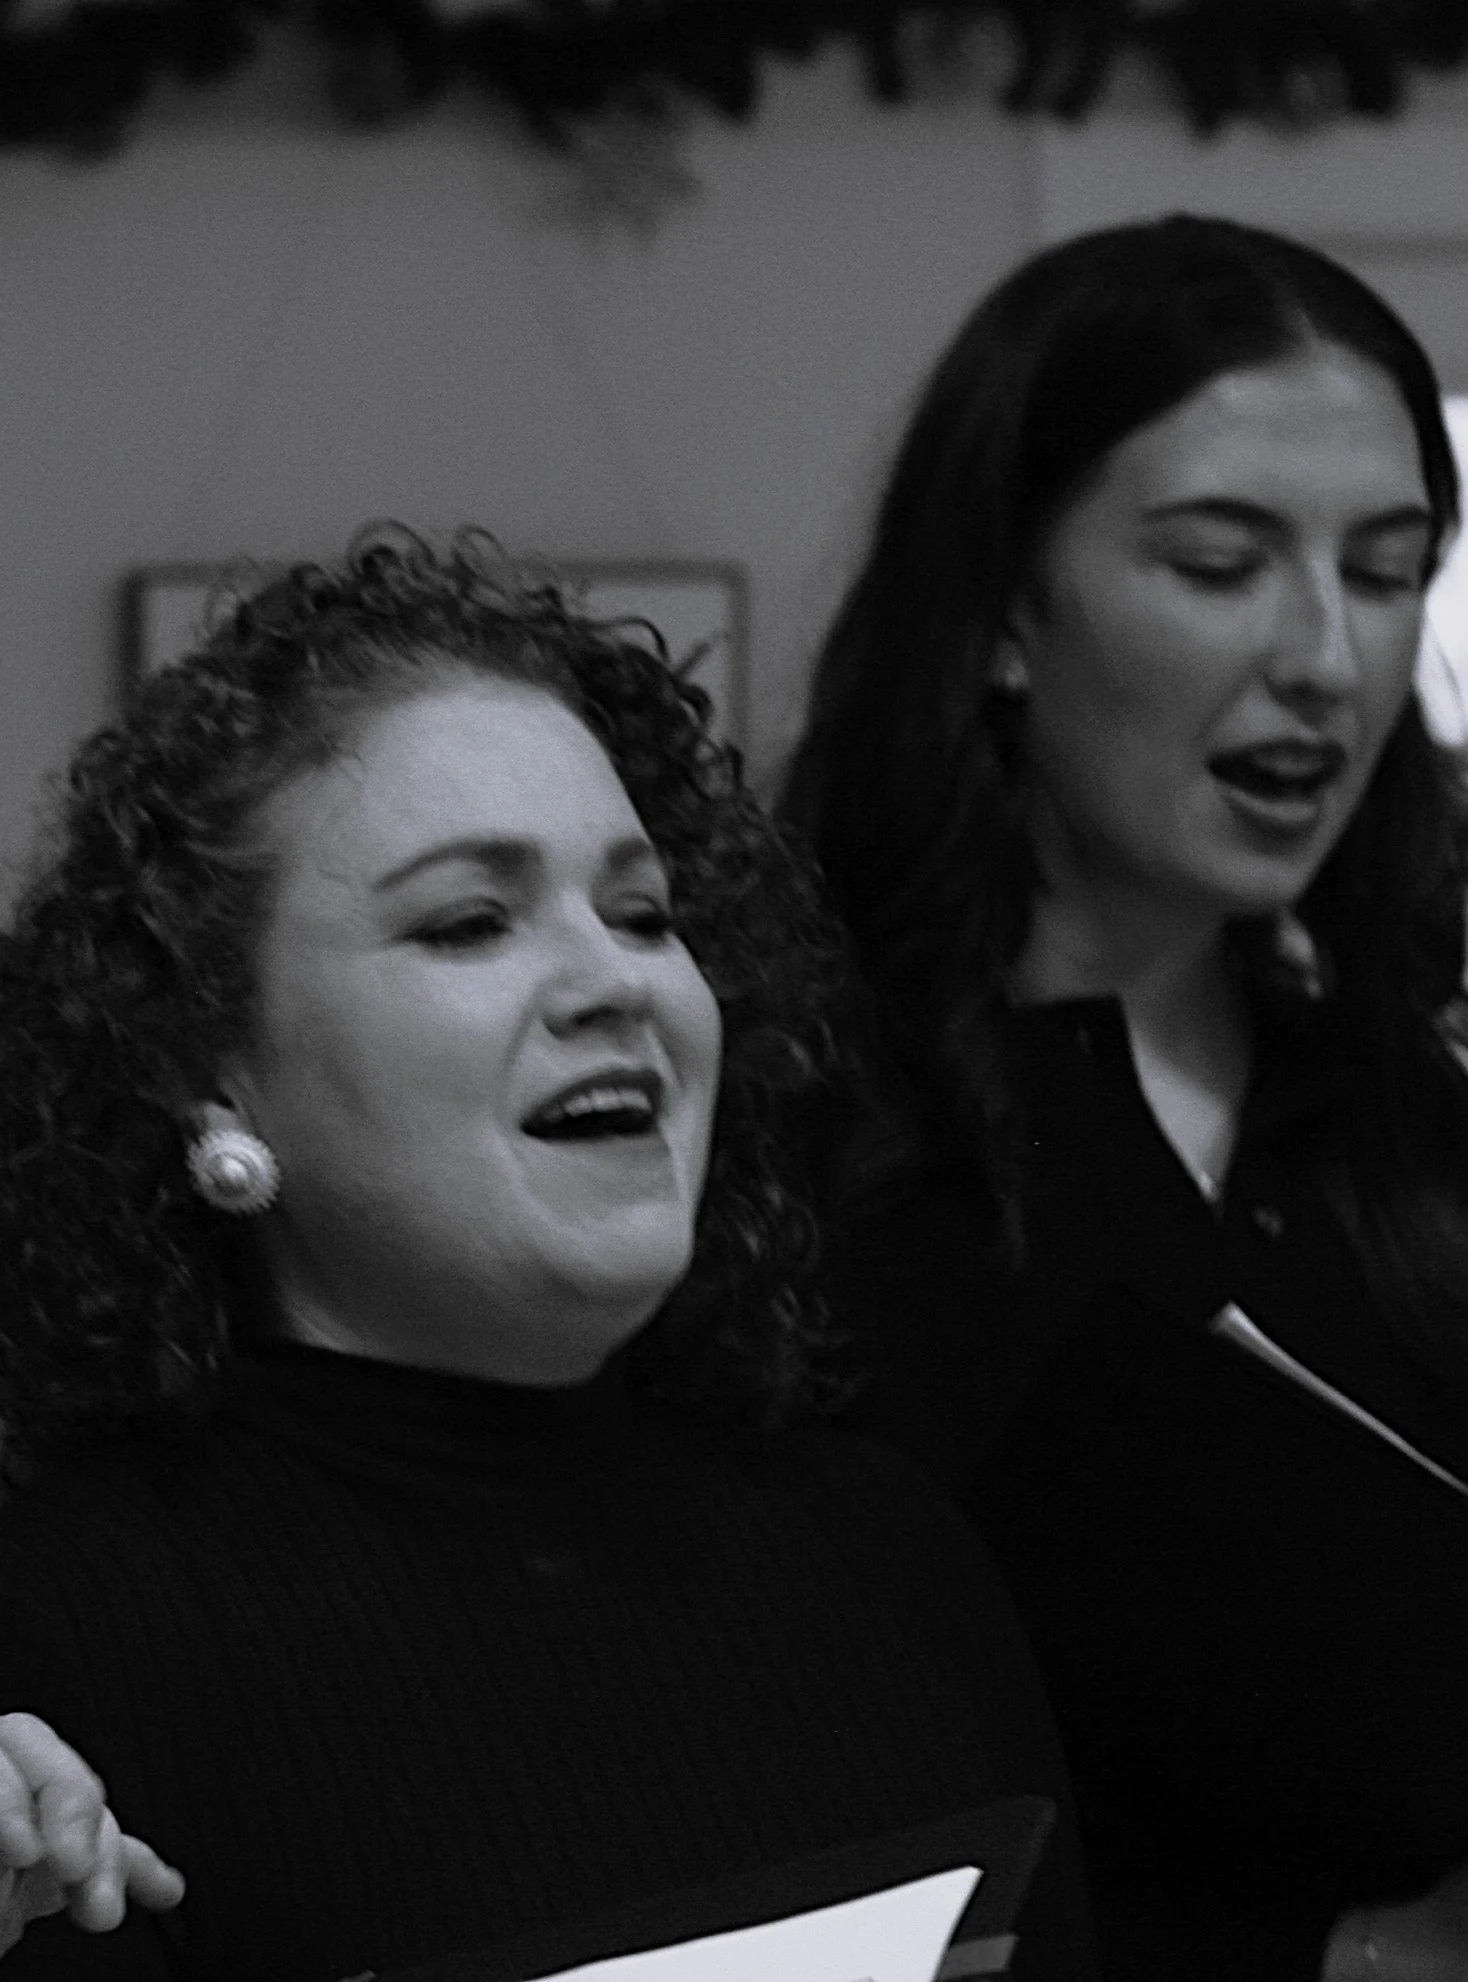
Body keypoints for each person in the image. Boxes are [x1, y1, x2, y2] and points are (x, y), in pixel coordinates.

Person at [0, 529, 1092, 1979]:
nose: (614, 981)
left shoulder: (885, 1551)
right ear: (214, 1071)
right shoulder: (61, 1632)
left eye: (642, 912)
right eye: (471, 922)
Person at [781, 214, 1468, 1981]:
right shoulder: (785, 1127)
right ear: (1006, 609)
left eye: (1388, 569)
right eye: (1223, 562)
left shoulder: (1413, 1120)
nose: (1326, 653)